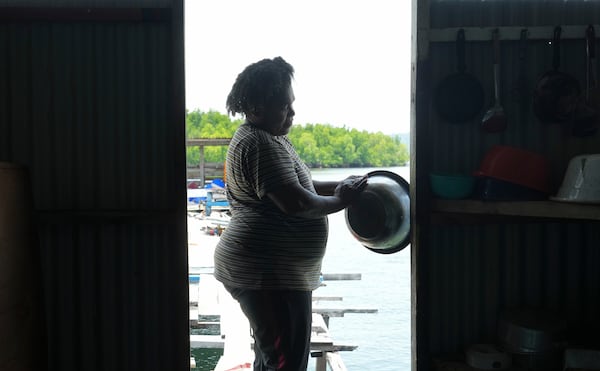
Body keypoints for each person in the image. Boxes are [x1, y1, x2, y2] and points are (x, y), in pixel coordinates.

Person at [214, 56, 367, 371]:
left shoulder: (270, 138)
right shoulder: (260, 144)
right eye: (284, 107)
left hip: (275, 273)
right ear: (257, 109)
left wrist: (341, 186)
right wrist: (342, 200)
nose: (293, 112)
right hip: (267, 275)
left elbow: (303, 185)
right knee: (285, 363)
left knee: (275, 356)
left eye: (291, 104)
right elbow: (297, 203)